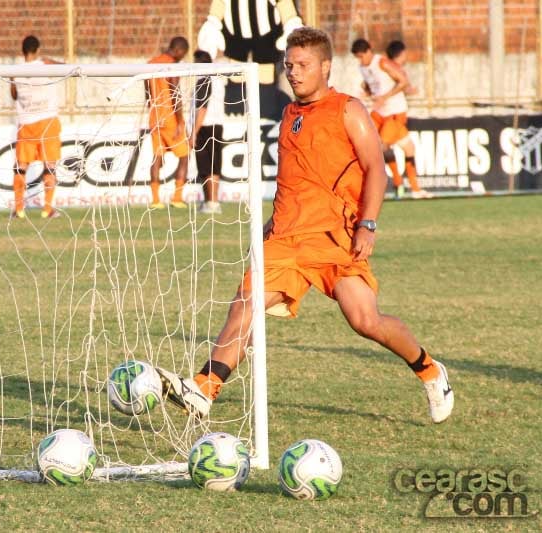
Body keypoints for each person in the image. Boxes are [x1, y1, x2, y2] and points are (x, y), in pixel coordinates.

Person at [156, 27, 454, 425]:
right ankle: (204, 387)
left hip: (336, 238)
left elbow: (375, 170)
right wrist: (269, 225)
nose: (293, 72)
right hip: (286, 239)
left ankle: (430, 370)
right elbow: (294, 179)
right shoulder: (288, 114)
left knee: (365, 321)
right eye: (289, 65)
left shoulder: (348, 109)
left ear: (325, 67)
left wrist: (368, 224)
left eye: (302, 65)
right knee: (245, 304)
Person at [351, 38, 431, 199]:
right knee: (371, 144)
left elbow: (402, 81)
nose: (360, 60)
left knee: (381, 147)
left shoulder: (382, 63)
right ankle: (408, 187)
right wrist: (367, 92)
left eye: (361, 56)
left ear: (369, 51)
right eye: (357, 57)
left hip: (394, 113)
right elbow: (373, 84)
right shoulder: (362, 67)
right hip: (379, 112)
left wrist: (384, 97)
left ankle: (401, 185)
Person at [9, 35, 63, 219]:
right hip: (48, 120)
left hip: (27, 122)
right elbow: (66, 67)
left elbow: (14, 94)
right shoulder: (45, 64)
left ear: (22, 51)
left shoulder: (14, 71)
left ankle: (18, 209)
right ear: (38, 49)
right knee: (50, 165)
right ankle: (47, 209)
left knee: (21, 166)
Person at [146, 37, 190, 209]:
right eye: (183, 54)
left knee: (157, 157)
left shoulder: (150, 64)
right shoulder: (172, 65)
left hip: (155, 117)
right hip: (170, 118)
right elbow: (174, 93)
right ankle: (177, 198)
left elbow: (147, 93)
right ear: (178, 50)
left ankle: (156, 201)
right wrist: (180, 121)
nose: (182, 57)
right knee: (185, 157)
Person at [190, 49, 226, 215]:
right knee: (213, 165)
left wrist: (194, 132)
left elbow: (202, 108)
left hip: (206, 126)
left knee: (207, 166)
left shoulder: (204, 79)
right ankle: (211, 202)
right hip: (216, 125)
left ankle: (212, 202)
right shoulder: (217, 78)